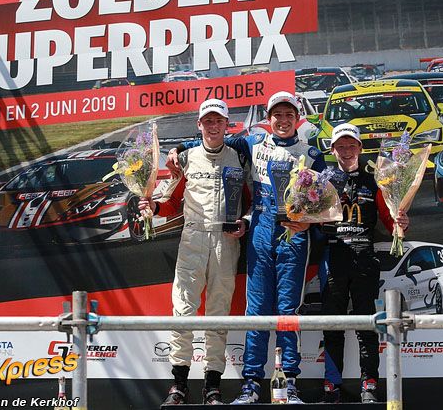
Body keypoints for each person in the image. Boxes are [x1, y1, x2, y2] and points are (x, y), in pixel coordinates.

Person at [167, 91, 325, 404]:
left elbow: (322, 204)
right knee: (256, 311)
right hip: (260, 233)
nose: (283, 120)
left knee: (288, 312)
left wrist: (309, 222)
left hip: (293, 237)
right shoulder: (253, 143)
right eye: (277, 115)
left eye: (289, 115)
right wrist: (178, 148)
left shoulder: (311, 153)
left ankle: (289, 384)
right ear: (268, 118)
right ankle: (251, 384)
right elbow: (212, 141)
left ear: (298, 118)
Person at [140, 99, 250, 405]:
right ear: (199, 125)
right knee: (183, 311)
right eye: (208, 121)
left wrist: (245, 221)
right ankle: (178, 385)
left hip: (226, 241)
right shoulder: (185, 158)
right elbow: (171, 203)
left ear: (227, 125)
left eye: (219, 121)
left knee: (219, 313)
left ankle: (212, 386)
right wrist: (153, 207)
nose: (213, 126)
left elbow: (253, 201)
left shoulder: (240, 158)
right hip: (192, 239)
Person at [318, 123, 410, 404]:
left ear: (360, 148)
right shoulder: (323, 181)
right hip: (333, 257)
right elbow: (310, 220)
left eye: (351, 145)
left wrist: (401, 222)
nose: (346, 151)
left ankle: (369, 382)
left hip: (364, 258)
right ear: (333, 150)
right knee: (332, 324)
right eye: (341, 146)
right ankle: (331, 385)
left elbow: (390, 220)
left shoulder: (376, 180)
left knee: (367, 323)